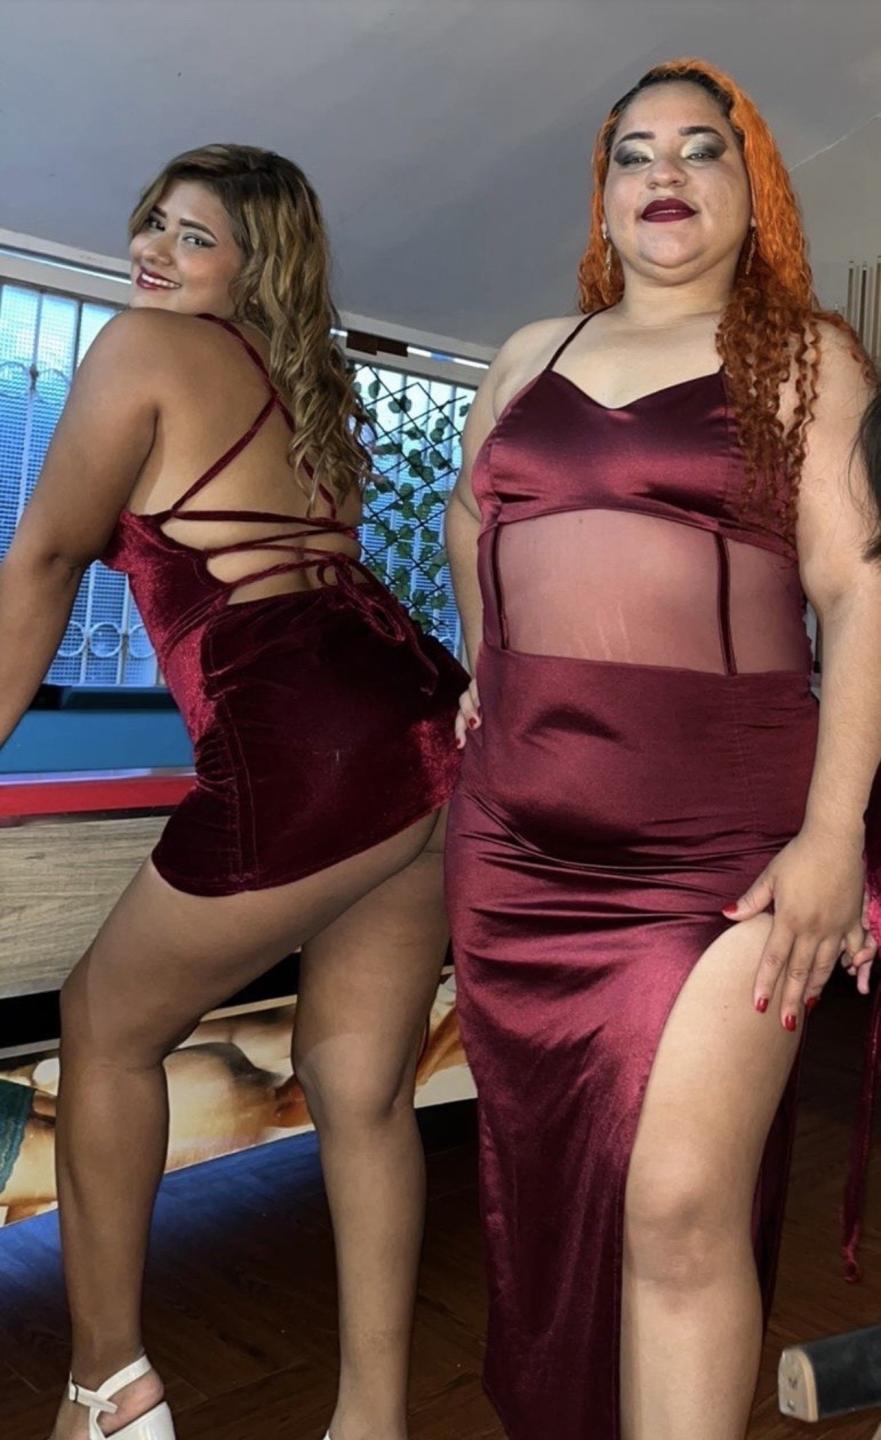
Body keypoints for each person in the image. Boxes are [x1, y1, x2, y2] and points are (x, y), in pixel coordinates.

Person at [444, 58, 881, 1440]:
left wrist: (833, 837)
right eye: (633, 154)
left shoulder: (806, 355)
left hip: (724, 850)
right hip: (512, 848)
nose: (664, 175)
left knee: (682, 1204)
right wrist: (489, 660)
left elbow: (857, 590)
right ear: (604, 195)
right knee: (555, 1185)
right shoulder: (532, 353)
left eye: (701, 149)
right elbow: (471, 514)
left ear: (755, 192)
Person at [0, 144, 466, 1440]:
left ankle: (108, 1390)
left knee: (105, 1025)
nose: (152, 249)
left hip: (313, 752)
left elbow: (44, 559)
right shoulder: (304, 391)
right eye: (152, 221)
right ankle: (371, 1421)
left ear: (259, 265)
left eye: (193, 236)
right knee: (358, 1085)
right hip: (431, 731)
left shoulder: (144, 348)